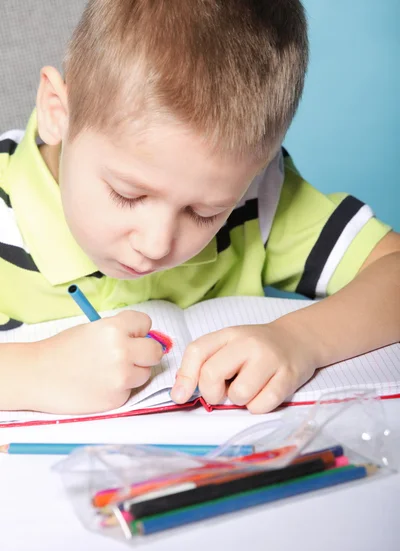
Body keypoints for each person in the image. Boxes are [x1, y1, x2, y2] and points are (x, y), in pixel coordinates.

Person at [0, 0, 398, 415]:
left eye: (204, 213)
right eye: (128, 194)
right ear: (57, 113)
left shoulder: (259, 194)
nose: (156, 244)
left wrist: (302, 340)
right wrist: (33, 371)